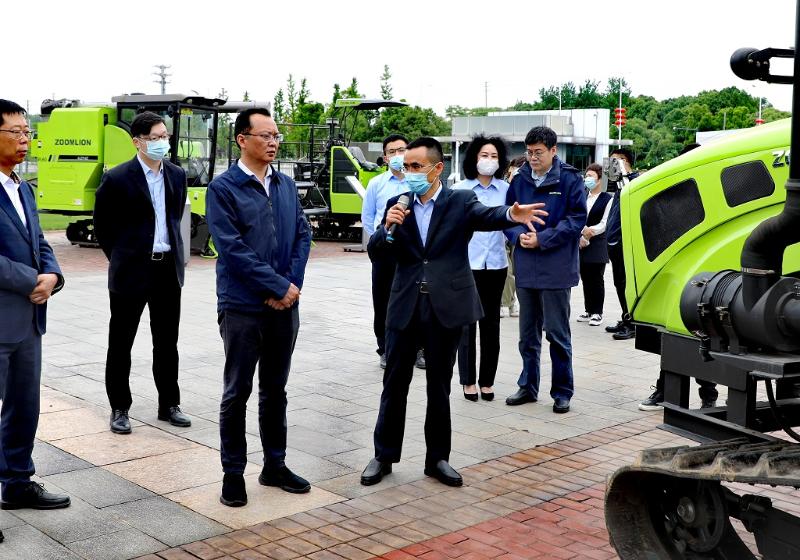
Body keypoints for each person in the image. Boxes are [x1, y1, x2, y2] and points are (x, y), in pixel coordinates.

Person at [360, 137, 547, 488]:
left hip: (443, 308)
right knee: (394, 384)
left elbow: (487, 215)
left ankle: (437, 459)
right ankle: (383, 455)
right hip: (404, 306)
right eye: (406, 166)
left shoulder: (459, 201)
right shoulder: (397, 204)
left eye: (416, 166)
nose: (409, 172)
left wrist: (511, 214)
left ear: (437, 169)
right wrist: (386, 228)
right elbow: (376, 252)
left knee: (439, 387)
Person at [207, 108, 312, 507]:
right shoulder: (224, 188)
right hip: (242, 306)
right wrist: (275, 285)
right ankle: (233, 473)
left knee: (275, 390)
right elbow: (232, 249)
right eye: (265, 135)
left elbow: (302, 234)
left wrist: (290, 286)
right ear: (242, 139)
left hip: (284, 306)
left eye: (276, 136)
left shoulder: (285, 185)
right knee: (237, 391)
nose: (273, 142)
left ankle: (275, 464)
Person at [94, 111, 191, 434]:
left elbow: (174, 218)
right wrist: (121, 257)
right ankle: (120, 408)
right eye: (155, 138)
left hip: (167, 269)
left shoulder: (176, 175)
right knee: (121, 343)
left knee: (167, 342)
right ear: (137, 142)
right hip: (132, 271)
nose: (162, 142)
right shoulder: (117, 178)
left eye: (165, 136)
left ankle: (169, 404)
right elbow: (103, 227)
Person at [0, 99, 70, 511]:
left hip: (28, 321)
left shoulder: (22, 188)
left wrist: (53, 276)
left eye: (28, 132)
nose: (25, 139)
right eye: (16, 132)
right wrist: (32, 280)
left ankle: (17, 482)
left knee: (25, 406)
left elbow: (40, 242)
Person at [504, 126, 587, 414]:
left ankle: (562, 391)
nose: (533, 157)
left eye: (538, 152)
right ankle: (528, 386)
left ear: (553, 150)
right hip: (527, 266)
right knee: (527, 335)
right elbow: (508, 215)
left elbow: (576, 219)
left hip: (556, 267)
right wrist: (518, 236)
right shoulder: (520, 178)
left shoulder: (570, 179)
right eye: (529, 152)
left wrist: (543, 238)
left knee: (557, 333)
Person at [453, 135, 510, 402]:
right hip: (468, 264)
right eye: (484, 155)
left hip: (496, 264)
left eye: (494, 156)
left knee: (491, 324)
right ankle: (468, 381)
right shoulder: (459, 190)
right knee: (466, 325)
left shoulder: (506, 190)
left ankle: (487, 380)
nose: (489, 160)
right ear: (474, 158)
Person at [362, 135, 425, 371]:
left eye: (402, 150)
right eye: (392, 151)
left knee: (417, 299)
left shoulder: (417, 181)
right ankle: (386, 348)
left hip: (413, 252)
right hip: (385, 251)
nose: (398, 155)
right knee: (383, 301)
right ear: (385, 157)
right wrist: (381, 241)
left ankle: (419, 348)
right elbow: (368, 217)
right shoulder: (376, 184)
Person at [604, 148, 639, 341]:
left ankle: (632, 322)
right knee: (619, 282)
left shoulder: (634, 182)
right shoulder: (618, 185)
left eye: (616, 161)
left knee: (626, 282)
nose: (612, 165)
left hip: (627, 243)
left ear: (626, 161)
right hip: (614, 241)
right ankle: (626, 316)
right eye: (610, 161)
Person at [577, 163, 612, 326]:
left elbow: (605, 222)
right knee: (585, 277)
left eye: (591, 176)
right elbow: (576, 216)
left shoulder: (607, 198)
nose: (587, 179)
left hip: (597, 243)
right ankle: (588, 309)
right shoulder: (582, 196)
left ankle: (597, 312)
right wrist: (581, 232)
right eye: (586, 176)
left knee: (596, 278)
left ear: (599, 180)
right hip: (581, 242)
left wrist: (589, 232)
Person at [500, 156, 526, 318]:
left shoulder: (524, 187)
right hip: (503, 233)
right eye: (510, 174)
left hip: (518, 232)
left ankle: (511, 301)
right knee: (508, 271)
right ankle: (506, 303)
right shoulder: (504, 187)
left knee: (516, 271)